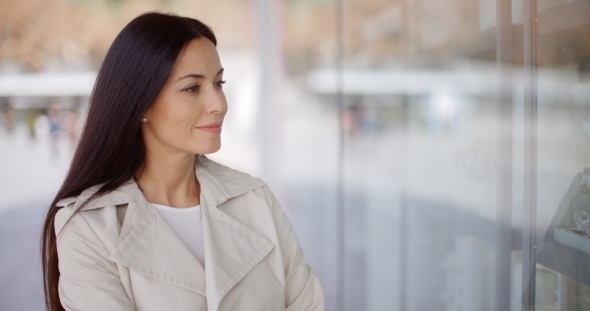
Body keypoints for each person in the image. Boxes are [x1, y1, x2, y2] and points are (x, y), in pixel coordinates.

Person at [41, 12, 326, 311]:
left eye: (218, 83)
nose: (219, 104)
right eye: (192, 88)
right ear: (140, 103)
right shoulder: (88, 228)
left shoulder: (256, 200)